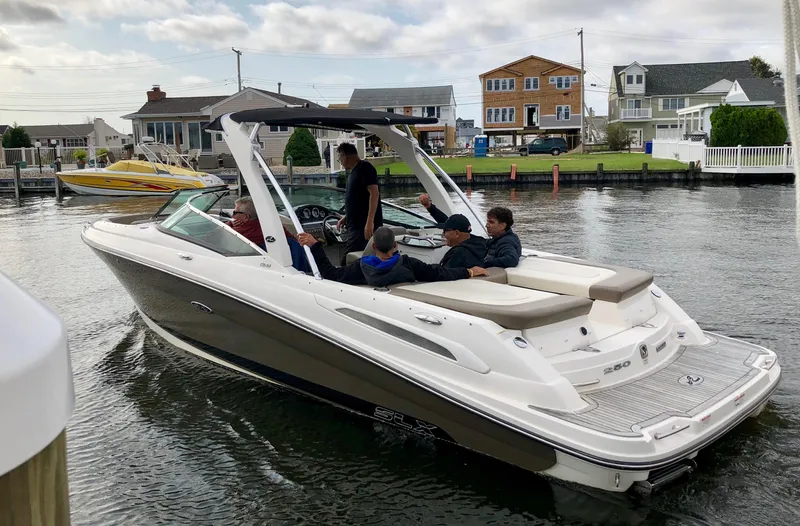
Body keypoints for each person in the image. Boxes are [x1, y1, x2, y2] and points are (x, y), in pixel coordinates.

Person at [297, 226, 488, 287]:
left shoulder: (360, 268)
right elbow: (440, 273)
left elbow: (330, 274)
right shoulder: (410, 265)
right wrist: (470, 271)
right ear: (395, 245)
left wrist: (315, 246)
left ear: (373, 246)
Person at [418, 194, 521, 268]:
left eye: (491, 222)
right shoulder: (489, 241)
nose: (487, 225)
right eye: (487, 221)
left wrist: (482, 263)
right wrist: (431, 208)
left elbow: (511, 259)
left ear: (503, 225)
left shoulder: (506, 242)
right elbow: (453, 227)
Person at [337, 142, 383, 264]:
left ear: (344, 156)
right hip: (355, 226)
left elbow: (374, 193)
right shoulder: (354, 172)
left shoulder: (365, 168)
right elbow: (359, 199)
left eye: (339, 158)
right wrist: (347, 216)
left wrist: (369, 222)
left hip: (361, 229)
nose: (340, 162)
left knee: (346, 261)